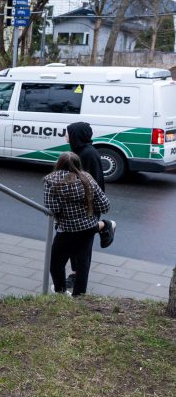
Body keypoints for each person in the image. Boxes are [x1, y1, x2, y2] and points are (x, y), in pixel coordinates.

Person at [45, 152, 113, 296]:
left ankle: (60, 291)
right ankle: (79, 296)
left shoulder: (51, 181)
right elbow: (105, 206)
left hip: (66, 229)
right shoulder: (87, 179)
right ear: (77, 165)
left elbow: (53, 209)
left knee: (56, 263)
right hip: (88, 228)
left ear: (58, 164)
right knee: (83, 264)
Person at [64, 122, 115, 290]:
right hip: (78, 206)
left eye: (68, 133)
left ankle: (105, 226)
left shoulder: (88, 154)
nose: (65, 135)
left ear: (76, 135)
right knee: (75, 242)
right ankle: (76, 273)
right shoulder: (78, 152)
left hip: (88, 207)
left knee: (82, 245)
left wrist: (88, 207)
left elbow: (93, 184)